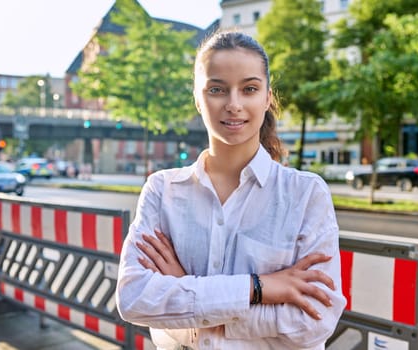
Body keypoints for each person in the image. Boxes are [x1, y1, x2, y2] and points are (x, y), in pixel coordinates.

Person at [116, 30, 346, 350]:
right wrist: (258, 289)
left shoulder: (306, 194)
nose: (233, 104)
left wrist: (187, 297)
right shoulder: (162, 189)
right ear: (198, 98)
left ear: (267, 98)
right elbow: (133, 299)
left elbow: (315, 320)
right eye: (217, 89)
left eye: (249, 89)